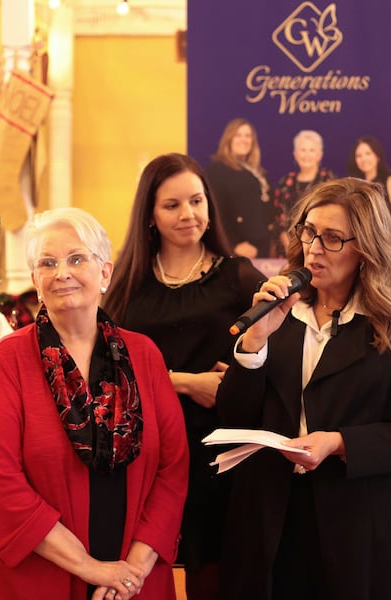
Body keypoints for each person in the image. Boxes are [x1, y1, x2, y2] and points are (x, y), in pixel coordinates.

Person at [215, 177, 391, 600]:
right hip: (276, 519)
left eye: (333, 238)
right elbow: (234, 416)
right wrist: (254, 343)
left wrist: (339, 443)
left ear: (366, 248)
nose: (314, 248)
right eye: (309, 231)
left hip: (361, 523)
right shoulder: (277, 310)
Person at [0, 207, 189, 600]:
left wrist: (131, 572)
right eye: (47, 263)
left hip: (135, 575)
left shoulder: (145, 354)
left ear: (104, 273)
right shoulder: (8, 360)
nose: (62, 272)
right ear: (36, 280)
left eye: (76, 259)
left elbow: (172, 469)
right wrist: (92, 569)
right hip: (38, 578)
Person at [103, 153, 265, 600]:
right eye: (172, 205)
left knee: (212, 572)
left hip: (218, 449)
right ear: (150, 215)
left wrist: (241, 372)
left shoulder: (238, 277)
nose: (188, 214)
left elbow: (271, 358)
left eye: (196, 201)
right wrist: (184, 381)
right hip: (146, 447)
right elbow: (104, 366)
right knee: (140, 567)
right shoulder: (127, 285)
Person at [205, 118, 272, 259]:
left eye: (248, 136)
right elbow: (214, 210)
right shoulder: (217, 171)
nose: (244, 140)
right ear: (229, 138)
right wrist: (234, 243)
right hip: (238, 248)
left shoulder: (257, 172)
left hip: (261, 246)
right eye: (238, 135)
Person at [271, 130, 336, 257]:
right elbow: (277, 219)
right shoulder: (285, 182)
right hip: (287, 252)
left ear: (319, 155)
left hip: (321, 248)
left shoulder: (329, 180)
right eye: (303, 150)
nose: (307, 155)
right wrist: (289, 246)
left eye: (312, 150)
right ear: (295, 154)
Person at [347, 136, 391, 257]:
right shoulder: (354, 185)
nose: (363, 159)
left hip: (386, 250)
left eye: (368, 153)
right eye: (359, 156)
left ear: (377, 156)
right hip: (360, 250)